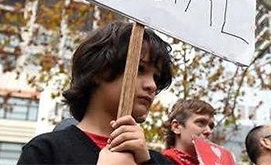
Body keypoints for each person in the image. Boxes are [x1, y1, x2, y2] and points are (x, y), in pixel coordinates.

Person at [18, 21, 174, 164]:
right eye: (140, 69)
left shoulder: (159, 162)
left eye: (156, 77)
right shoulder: (45, 152)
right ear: (100, 70)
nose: (152, 85)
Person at [162, 99, 216, 165]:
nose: (209, 131)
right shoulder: (160, 162)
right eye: (200, 122)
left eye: (211, 126)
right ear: (176, 127)